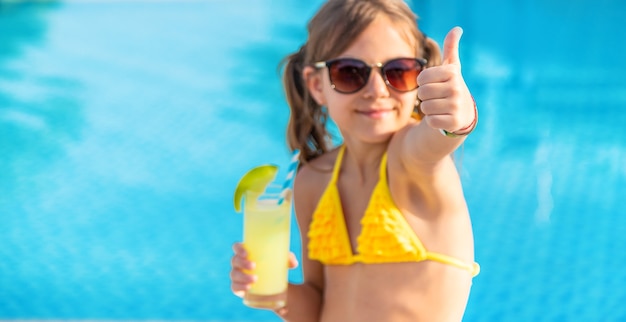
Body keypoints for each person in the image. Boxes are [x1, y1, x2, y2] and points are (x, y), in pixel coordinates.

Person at [230, 0, 479, 321]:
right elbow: (317, 307)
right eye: (350, 73)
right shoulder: (313, 180)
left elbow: (440, 137)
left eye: (398, 71)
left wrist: (459, 117)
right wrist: (274, 292)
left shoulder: (412, 161)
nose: (376, 90)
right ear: (317, 85)